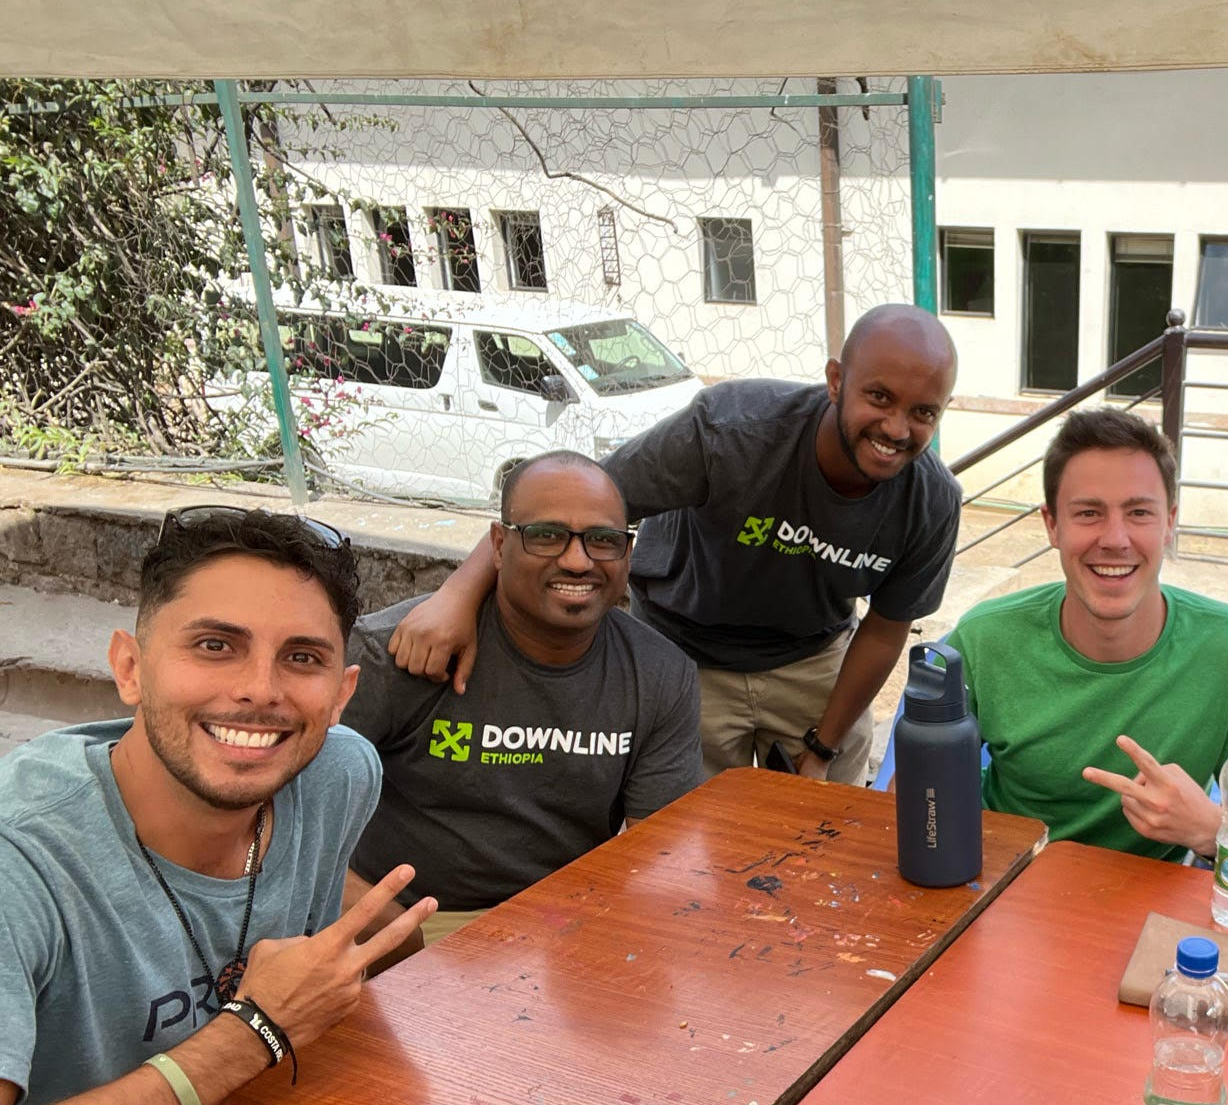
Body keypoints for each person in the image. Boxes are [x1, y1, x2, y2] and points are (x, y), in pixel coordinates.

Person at [0, 507, 433, 1105]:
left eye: (302, 658)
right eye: (214, 646)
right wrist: (253, 1030)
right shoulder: (21, 860)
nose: (259, 691)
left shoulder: (337, 772)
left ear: (341, 694)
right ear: (130, 668)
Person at [385, 304, 961, 787]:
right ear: (836, 381)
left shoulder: (931, 503)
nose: (896, 428)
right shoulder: (730, 431)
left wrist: (823, 749)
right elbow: (575, 505)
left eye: (922, 413)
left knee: (828, 838)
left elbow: (884, 629)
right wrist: (456, 597)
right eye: (878, 397)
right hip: (686, 649)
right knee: (686, 843)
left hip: (813, 658)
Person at [342, 452, 703, 941]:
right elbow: (277, 822)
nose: (577, 561)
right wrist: (389, 931)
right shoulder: (397, 652)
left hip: (563, 924)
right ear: (498, 544)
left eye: (603, 540)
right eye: (547, 535)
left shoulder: (660, 674)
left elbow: (655, 858)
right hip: (409, 919)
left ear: (628, 552)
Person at [942, 408, 1228, 861]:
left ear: (1169, 523)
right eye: (1089, 513)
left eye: (1139, 512)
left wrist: (1211, 829)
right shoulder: (982, 638)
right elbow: (914, 793)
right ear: (1052, 525)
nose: (1115, 539)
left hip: (1153, 892)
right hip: (1006, 876)